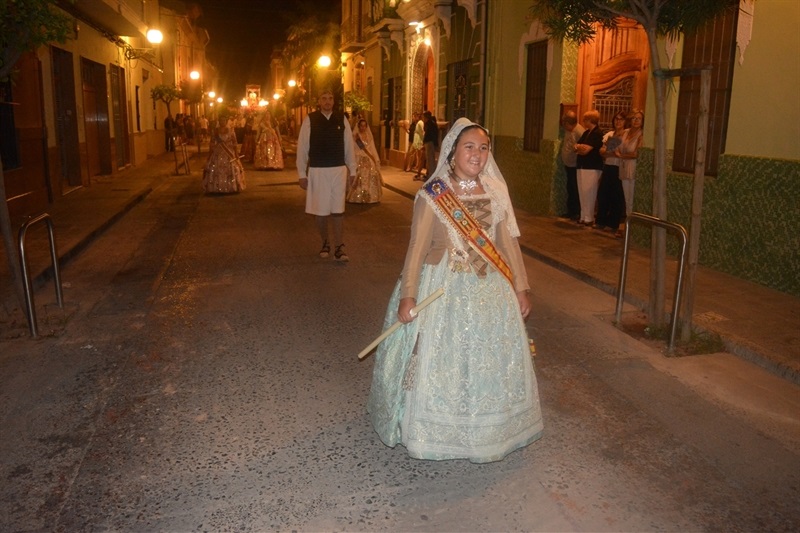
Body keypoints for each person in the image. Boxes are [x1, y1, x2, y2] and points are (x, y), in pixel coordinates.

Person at [367, 117, 544, 463]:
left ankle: (488, 431)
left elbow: (508, 244)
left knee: (486, 360)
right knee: (444, 359)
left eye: (483, 148)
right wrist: (408, 294)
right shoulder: (433, 194)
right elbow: (417, 248)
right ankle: (437, 428)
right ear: (452, 152)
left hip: (491, 290)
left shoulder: (495, 192)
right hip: (443, 286)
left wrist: (522, 287)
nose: (477, 154)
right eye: (469, 147)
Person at [296, 89, 357, 262]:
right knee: (320, 212)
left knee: (338, 211)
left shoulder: (341, 119)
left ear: (333, 101)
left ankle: (339, 247)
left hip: (338, 170)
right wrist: (302, 173)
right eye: (324, 98)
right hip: (318, 170)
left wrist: (353, 170)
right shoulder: (310, 120)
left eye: (330, 98)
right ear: (319, 101)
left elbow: (349, 146)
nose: (327, 101)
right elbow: (302, 148)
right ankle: (325, 242)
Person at [594, 111, 627, 236]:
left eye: (621, 119)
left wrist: (610, 151)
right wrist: (610, 152)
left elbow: (617, 152)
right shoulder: (610, 134)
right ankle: (600, 220)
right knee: (603, 193)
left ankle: (613, 223)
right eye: (616, 119)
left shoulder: (625, 135)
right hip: (608, 166)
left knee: (616, 196)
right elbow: (602, 151)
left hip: (618, 167)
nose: (618, 121)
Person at [574, 110, 604, 226]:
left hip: (592, 166)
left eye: (585, 119)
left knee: (589, 192)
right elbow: (576, 146)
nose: (583, 122)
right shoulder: (586, 133)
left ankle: (589, 217)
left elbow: (586, 150)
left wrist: (580, 148)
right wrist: (579, 147)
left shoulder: (597, 133)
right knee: (582, 191)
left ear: (590, 120)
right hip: (582, 165)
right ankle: (583, 216)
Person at [347, 118, 383, 204]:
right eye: (361, 126)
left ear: (366, 127)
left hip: (368, 158)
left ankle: (371, 196)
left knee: (372, 174)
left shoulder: (369, 136)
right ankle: (358, 196)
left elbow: (372, 148)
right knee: (359, 175)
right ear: (358, 126)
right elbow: (355, 148)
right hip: (359, 157)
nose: (363, 127)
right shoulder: (356, 136)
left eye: (364, 126)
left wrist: (375, 158)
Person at [202, 124, 246, 194]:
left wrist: (236, 153)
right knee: (214, 168)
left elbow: (234, 143)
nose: (222, 121)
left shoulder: (231, 131)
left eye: (224, 120)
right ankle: (216, 187)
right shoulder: (215, 131)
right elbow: (212, 143)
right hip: (218, 152)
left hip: (228, 153)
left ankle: (231, 187)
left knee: (233, 168)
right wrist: (210, 154)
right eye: (221, 119)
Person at [617, 109, 644, 218]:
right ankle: (628, 220)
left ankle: (631, 222)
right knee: (626, 198)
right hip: (623, 166)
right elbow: (612, 145)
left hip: (633, 167)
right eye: (633, 118)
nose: (636, 120)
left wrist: (621, 155)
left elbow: (636, 153)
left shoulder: (641, 134)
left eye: (639, 119)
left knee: (631, 198)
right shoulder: (625, 132)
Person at [560, 111, 584, 220]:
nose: (564, 126)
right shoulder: (568, 130)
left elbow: (583, 147)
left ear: (569, 123)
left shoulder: (579, 131)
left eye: (565, 124)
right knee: (570, 188)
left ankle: (576, 212)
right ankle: (570, 210)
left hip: (575, 165)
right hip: (569, 165)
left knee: (575, 189)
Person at [422, 111, 438, 179]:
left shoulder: (429, 124)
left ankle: (431, 175)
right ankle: (431, 174)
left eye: (423, 117)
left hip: (429, 143)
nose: (423, 119)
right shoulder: (432, 123)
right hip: (431, 142)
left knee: (430, 159)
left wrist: (424, 142)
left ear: (426, 117)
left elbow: (428, 134)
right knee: (430, 159)